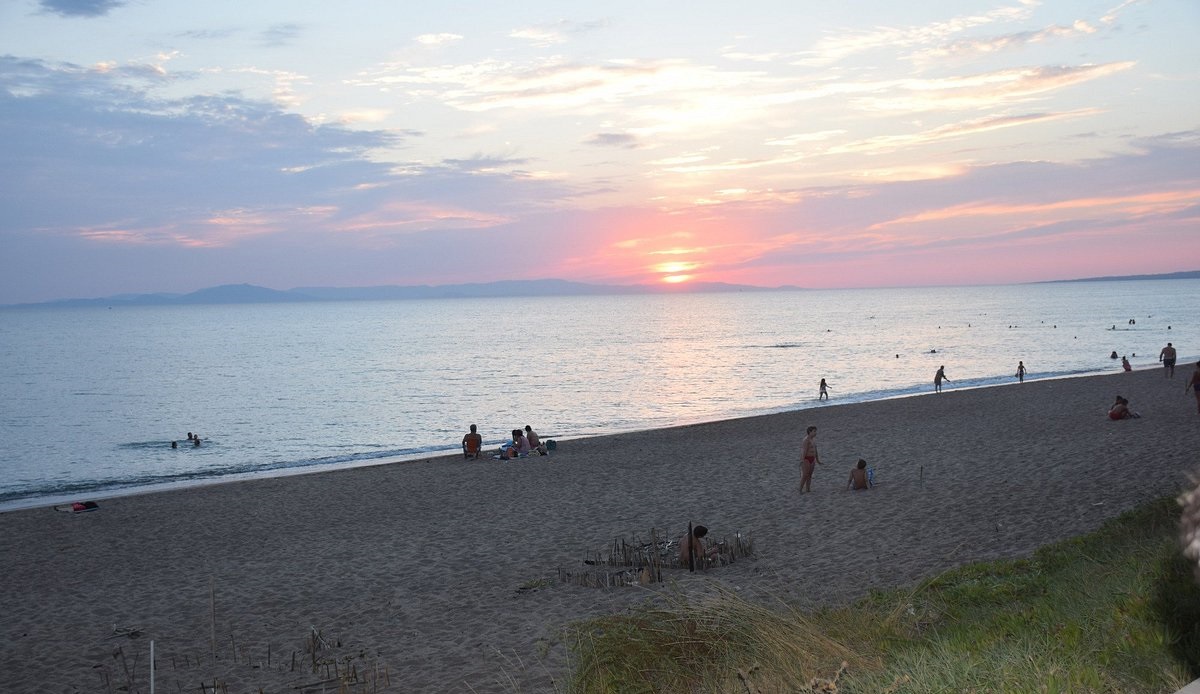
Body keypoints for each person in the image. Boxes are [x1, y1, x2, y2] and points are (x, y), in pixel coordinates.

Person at [800, 426, 820, 493]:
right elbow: (804, 450)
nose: (815, 433)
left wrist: (817, 460)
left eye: (815, 431)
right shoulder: (806, 440)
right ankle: (800, 489)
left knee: (810, 475)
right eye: (814, 431)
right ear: (810, 432)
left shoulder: (813, 440)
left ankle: (808, 489)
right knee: (805, 475)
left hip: (812, 459)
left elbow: (815, 450)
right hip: (806, 459)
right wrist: (802, 460)